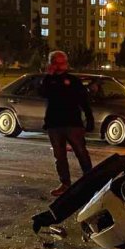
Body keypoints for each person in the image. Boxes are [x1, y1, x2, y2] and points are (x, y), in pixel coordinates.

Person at [39, 51, 94, 197]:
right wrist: (48, 76)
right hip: (54, 123)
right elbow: (42, 93)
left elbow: (83, 100)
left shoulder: (73, 80)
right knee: (59, 155)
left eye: (64, 62)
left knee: (81, 152)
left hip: (73, 123)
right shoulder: (49, 81)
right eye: (58, 62)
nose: (62, 65)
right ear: (52, 64)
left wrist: (89, 118)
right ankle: (65, 183)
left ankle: (90, 180)